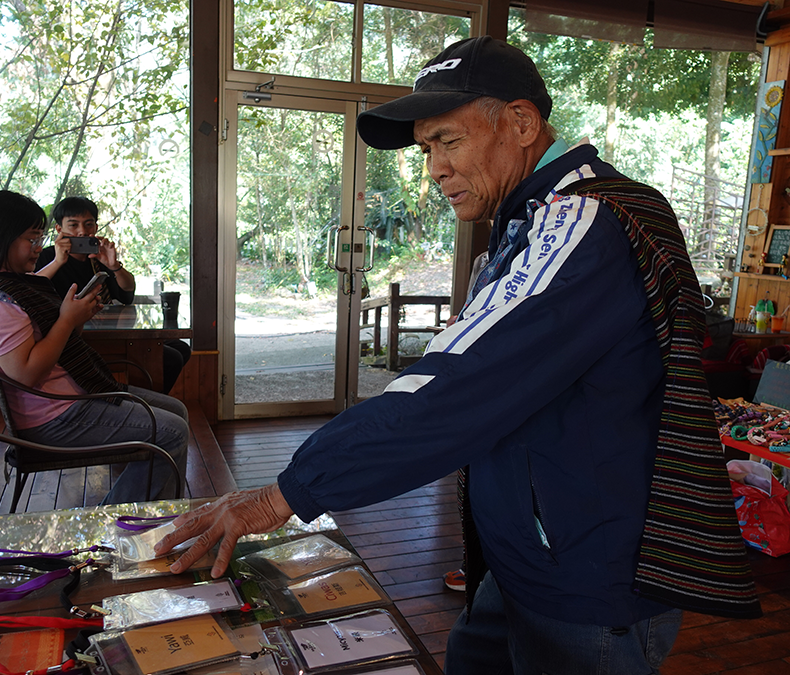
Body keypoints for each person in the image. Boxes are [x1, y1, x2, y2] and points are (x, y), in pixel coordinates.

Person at [154, 37, 760, 673]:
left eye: (448, 141)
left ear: (521, 124)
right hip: (526, 553)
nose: (434, 169)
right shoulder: (532, 217)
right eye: (426, 149)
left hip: (587, 570)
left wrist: (285, 493)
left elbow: (452, 388)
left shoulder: (585, 222)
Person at [0, 190, 189, 505]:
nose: (38, 248)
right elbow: (27, 374)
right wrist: (66, 320)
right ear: (2, 239)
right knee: (172, 431)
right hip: (53, 416)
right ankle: (116, 527)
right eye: (31, 240)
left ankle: (155, 515)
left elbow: (52, 328)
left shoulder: (7, 283)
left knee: (177, 412)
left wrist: (74, 318)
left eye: (40, 238)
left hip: (69, 397)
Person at [36, 196, 192, 393]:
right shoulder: (47, 257)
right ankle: (143, 407)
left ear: (95, 227)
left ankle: (148, 405)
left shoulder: (97, 258)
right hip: (72, 337)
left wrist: (113, 265)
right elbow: (32, 287)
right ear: (59, 229)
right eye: (73, 225)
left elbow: (126, 295)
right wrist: (58, 261)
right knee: (170, 357)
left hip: (106, 331)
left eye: (88, 224)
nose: (82, 231)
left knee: (181, 348)